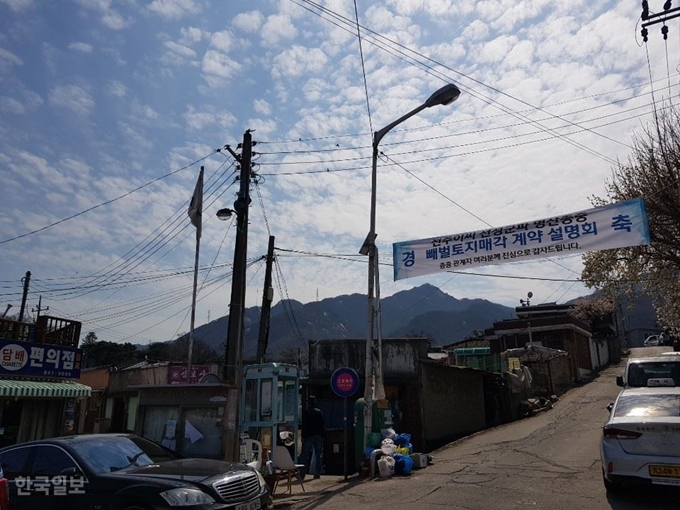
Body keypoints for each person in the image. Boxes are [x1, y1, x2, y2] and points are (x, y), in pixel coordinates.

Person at [301, 396, 325, 479]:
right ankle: (317, 474)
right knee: (318, 456)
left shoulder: (306, 413)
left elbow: (304, 426)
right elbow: (322, 425)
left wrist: (303, 436)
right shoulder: (319, 412)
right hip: (318, 436)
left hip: (308, 436)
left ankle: (302, 474)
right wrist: (323, 436)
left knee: (305, 456)